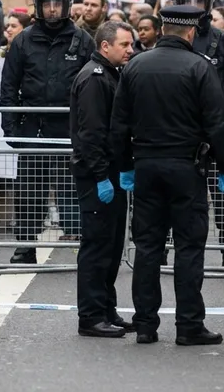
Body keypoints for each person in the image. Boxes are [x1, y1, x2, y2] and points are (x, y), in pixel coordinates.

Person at [110, 4, 224, 346]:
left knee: (148, 248)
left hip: (147, 166)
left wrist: (124, 167)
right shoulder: (200, 67)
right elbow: (217, 123)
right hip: (186, 167)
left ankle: (146, 324)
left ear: (163, 28)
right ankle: (189, 324)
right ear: (192, 31)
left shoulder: (135, 65)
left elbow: (118, 124)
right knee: (189, 248)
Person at [1, 0, 96, 263]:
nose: (52, 10)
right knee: (30, 189)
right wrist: (11, 128)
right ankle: (26, 245)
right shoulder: (23, 40)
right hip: (33, 127)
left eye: (57, 4)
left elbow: (93, 84)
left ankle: (82, 245)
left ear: (66, 6)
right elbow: (9, 86)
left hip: (70, 129)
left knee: (75, 187)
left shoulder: (82, 40)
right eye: (47, 4)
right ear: (39, 6)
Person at [173, 0, 224, 267]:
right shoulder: (172, 36)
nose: (193, 6)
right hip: (182, 129)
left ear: (209, 5)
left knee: (223, 194)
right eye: (187, 0)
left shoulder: (223, 40)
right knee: (179, 194)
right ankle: (177, 246)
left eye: (199, 0)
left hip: (216, 128)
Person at [72, 21, 136, 338]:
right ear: (105, 46)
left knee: (111, 248)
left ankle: (107, 310)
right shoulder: (95, 79)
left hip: (109, 171)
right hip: (97, 173)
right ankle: (91, 316)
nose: (130, 50)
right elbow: (91, 134)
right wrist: (100, 176)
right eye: (124, 44)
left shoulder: (111, 74)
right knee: (97, 247)